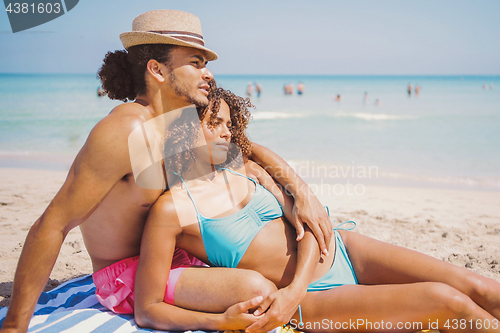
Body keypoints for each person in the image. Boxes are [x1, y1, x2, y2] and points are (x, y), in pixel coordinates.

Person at [0, 10, 333, 333]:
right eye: (196, 62)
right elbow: (53, 224)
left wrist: (301, 192)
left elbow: (248, 149)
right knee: (254, 289)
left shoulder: (181, 122)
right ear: (157, 69)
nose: (209, 74)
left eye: (206, 65)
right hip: (127, 277)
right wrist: (15, 326)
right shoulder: (124, 131)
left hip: (172, 262)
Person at [135, 85, 500, 333]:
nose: (228, 133)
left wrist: (296, 280)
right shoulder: (171, 211)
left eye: (231, 124)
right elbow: (146, 307)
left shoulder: (245, 169)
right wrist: (227, 319)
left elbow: (305, 223)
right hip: (314, 298)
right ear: (182, 130)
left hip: (343, 249)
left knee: (479, 286)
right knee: (447, 301)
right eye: (215, 124)